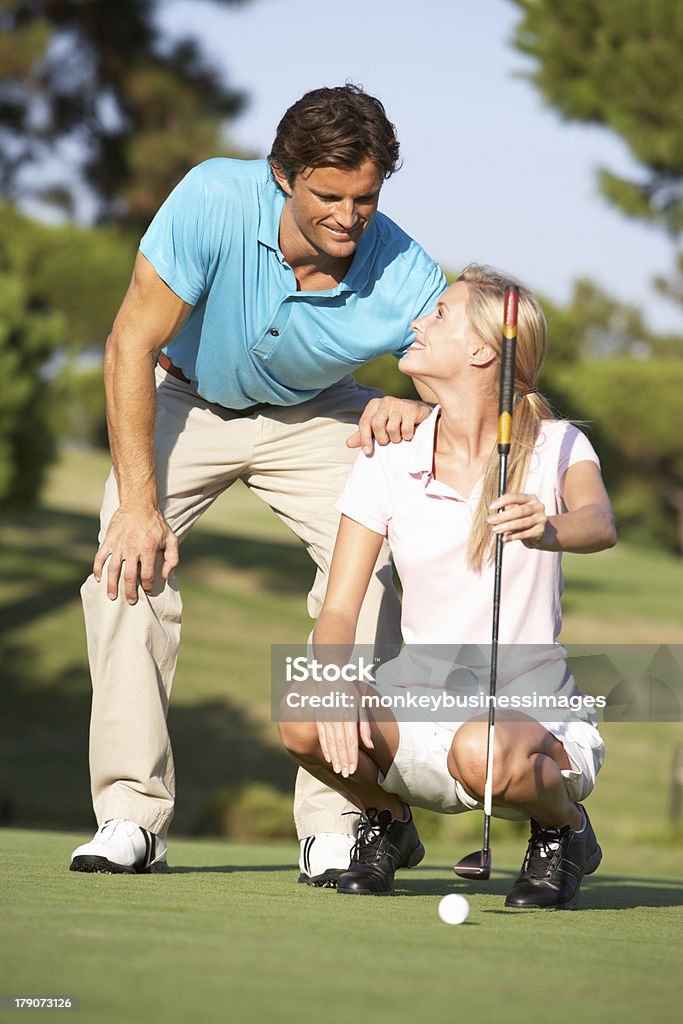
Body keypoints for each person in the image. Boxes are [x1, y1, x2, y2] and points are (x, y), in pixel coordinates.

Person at [70, 84, 446, 878]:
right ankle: (130, 819)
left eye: (365, 199)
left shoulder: (404, 266)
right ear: (283, 174)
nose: (348, 217)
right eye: (328, 196)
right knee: (122, 571)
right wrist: (138, 506)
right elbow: (128, 343)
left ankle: (338, 823)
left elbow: (474, 368)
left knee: (374, 575)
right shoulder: (212, 196)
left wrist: (415, 407)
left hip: (321, 414)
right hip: (185, 396)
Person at [279, 264, 617, 908]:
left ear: (483, 350)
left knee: (482, 748)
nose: (417, 323)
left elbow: (599, 524)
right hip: (417, 706)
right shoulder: (389, 455)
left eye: (438, 316)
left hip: (531, 719)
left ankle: (564, 830)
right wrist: (334, 681)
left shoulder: (554, 445)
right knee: (301, 710)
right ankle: (388, 822)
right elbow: (341, 607)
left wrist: (549, 527)